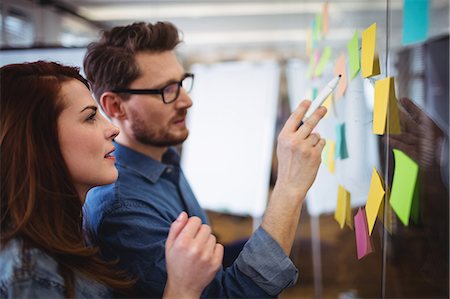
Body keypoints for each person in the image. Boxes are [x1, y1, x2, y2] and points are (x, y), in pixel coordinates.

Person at [83, 21, 327, 298]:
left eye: (182, 83)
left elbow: (212, 269)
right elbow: (227, 295)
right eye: (166, 90)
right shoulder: (123, 209)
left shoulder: (165, 158)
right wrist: (289, 188)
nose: (186, 100)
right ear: (115, 106)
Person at [0, 61, 223, 298]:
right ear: (39, 142)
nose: (112, 129)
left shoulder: (66, 236)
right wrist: (182, 288)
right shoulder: (30, 269)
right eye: (90, 117)